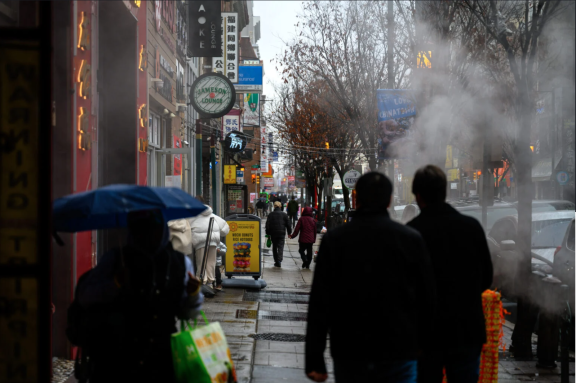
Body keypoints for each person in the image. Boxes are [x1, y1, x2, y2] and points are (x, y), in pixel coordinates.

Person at [305, 172, 436, 383]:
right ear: (390, 200)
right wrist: (426, 348)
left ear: (356, 199)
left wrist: (314, 359)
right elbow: (427, 298)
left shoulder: (335, 240)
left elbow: (320, 302)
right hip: (399, 349)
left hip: (351, 349)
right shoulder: (410, 239)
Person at [75, 209, 203, 382]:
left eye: (155, 227)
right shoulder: (116, 259)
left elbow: (188, 314)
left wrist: (193, 294)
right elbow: (86, 298)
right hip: (116, 357)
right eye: (142, 228)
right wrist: (115, 284)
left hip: (161, 358)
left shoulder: (179, 263)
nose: (149, 234)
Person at [406, 165, 493, 383]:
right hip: (466, 330)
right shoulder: (471, 227)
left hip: (426, 334)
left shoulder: (411, 233)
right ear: (445, 192)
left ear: (418, 195)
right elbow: (487, 278)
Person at [189, 196, 230, 291]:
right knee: (211, 263)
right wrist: (220, 234)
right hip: (213, 240)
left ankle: (202, 283)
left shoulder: (193, 214)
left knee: (201, 263)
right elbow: (225, 228)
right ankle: (211, 283)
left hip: (200, 241)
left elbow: (185, 226)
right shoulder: (211, 214)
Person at [265, 201, 292, 267]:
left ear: (274, 206)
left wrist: (268, 233)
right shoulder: (284, 214)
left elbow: (267, 225)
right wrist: (289, 232)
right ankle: (279, 260)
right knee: (280, 246)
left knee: (274, 246)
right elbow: (288, 224)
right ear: (280, 206)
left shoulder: (271, 214)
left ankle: (276, 261)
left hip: (273, 233)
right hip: (281, 233)